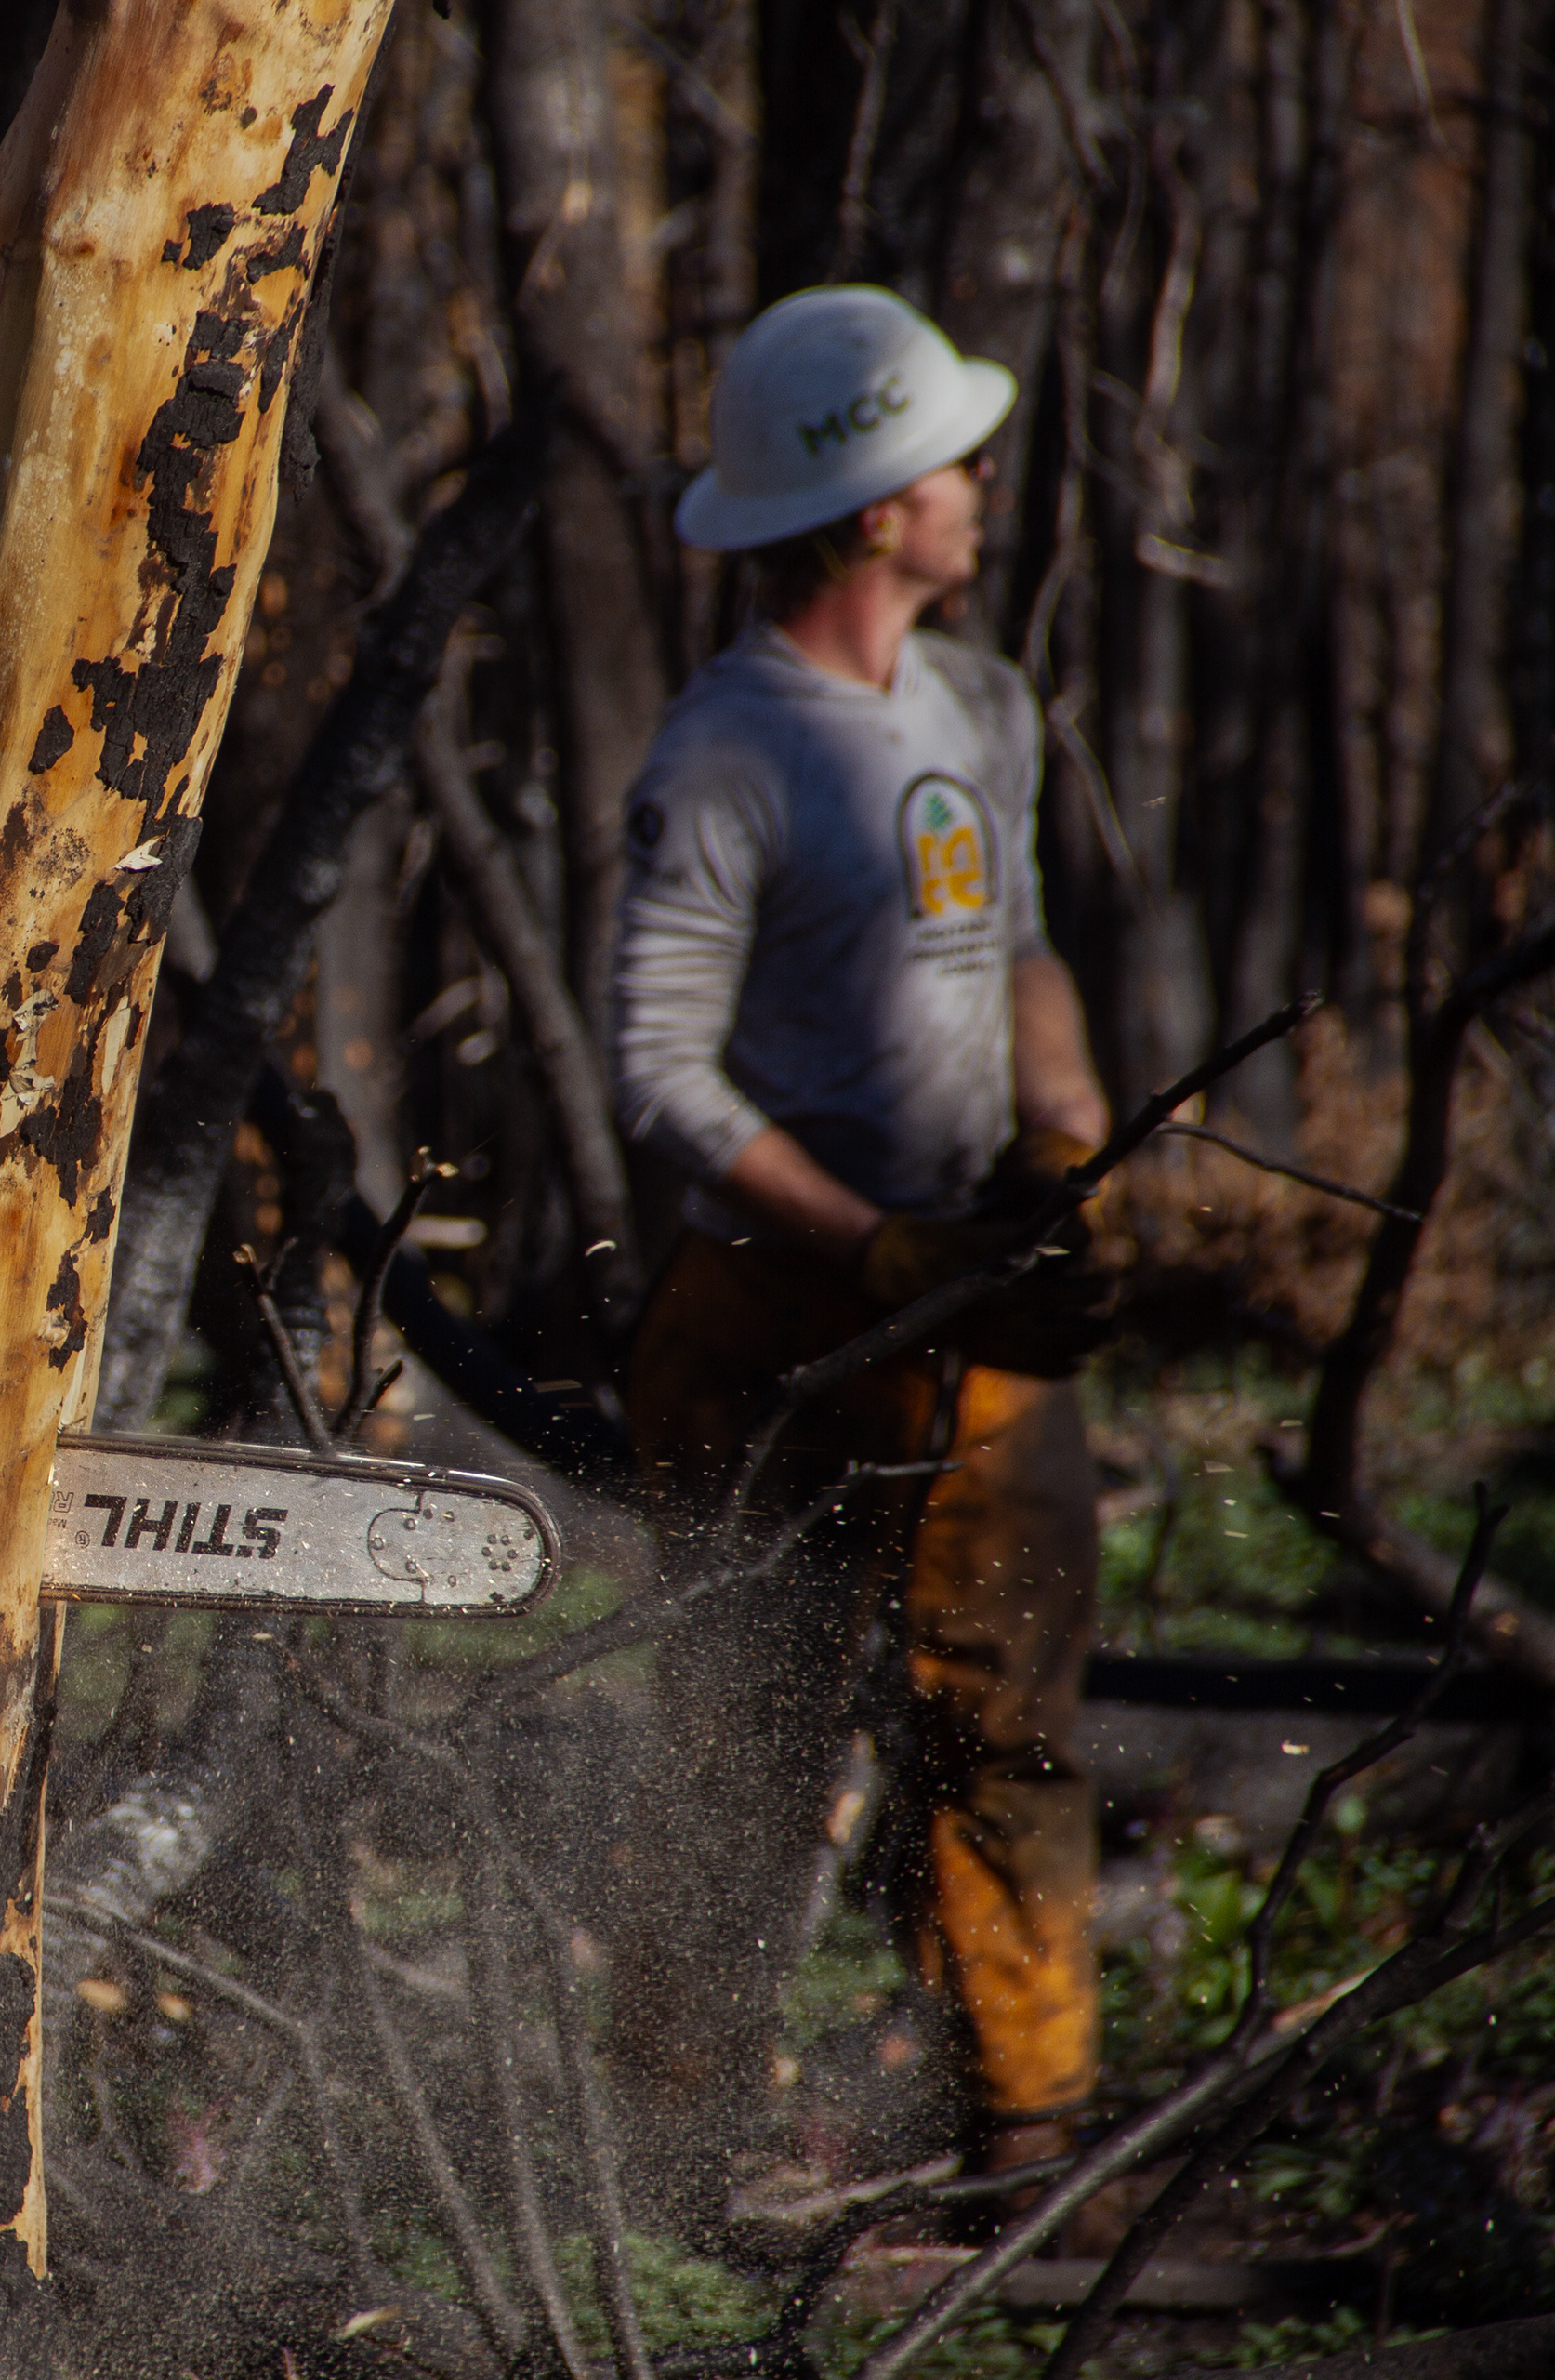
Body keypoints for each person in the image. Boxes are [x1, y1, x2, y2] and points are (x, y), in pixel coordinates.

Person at [607, 286, 1118, 2218]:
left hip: (979, 1301)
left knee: (1009, 1726)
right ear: (873, 502)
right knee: (742, 1740)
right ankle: (672, 2148)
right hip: (773, 1321)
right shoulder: (727, 747)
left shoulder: (982, 703)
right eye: (952, 459)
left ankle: (1028, 2136)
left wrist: (1061, 1143)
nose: (982, 483)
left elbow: (1027, 950)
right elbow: (658, 1061)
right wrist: (874, 1240)